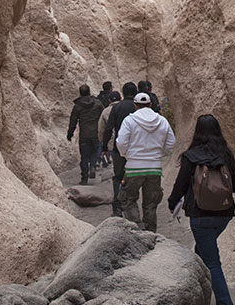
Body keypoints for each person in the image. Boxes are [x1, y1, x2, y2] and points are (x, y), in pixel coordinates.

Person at [167, 114, 235, 305]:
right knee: (202, 253)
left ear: (197, 132)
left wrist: (172, 202)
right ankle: (197, 293)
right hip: (224, 215)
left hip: (200, 216)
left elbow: (180, 186)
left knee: (212, 261)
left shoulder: (191, 156)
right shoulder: (225, 155)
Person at [116, 92, 176, 232]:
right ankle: (150, 232)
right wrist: (159, 155)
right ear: (150, 104)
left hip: (133, 167)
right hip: (154, 167)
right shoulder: (162, 121)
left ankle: (136, 229)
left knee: (128, 198)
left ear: (135, 106)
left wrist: (127, 155)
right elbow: (171, 143)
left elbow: (121, 142)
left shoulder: (129, 121)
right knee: (151, 202)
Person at [102, 82, 140, 216]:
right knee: (133, 176)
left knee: (118, 177)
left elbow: (108, 128)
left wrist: (104, 146)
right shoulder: (138, 108)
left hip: (119, 148)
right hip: (136, 150)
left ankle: (117, 206)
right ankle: (131, 205)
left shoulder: (117, 108)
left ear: (123, 93)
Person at [67, 84, 103, 184]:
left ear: (80, 93)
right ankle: (92, 166)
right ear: (89, 92)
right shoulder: (97, 103)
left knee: (84, 156)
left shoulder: (77, 106)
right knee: (94, 152)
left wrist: (70, 134)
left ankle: (84, 178)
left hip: (84, 134)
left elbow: (73, 121)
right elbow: (103, 116)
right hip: (95, 133)